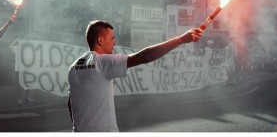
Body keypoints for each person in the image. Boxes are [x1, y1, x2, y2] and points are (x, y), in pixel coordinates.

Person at [67, 20, 203, 132]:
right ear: (101, 40)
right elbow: (145, 56)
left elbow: (70, 102)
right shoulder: (103, 62)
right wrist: (181, 39)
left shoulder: (73, 67)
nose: (114, 42)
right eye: (112, 38)